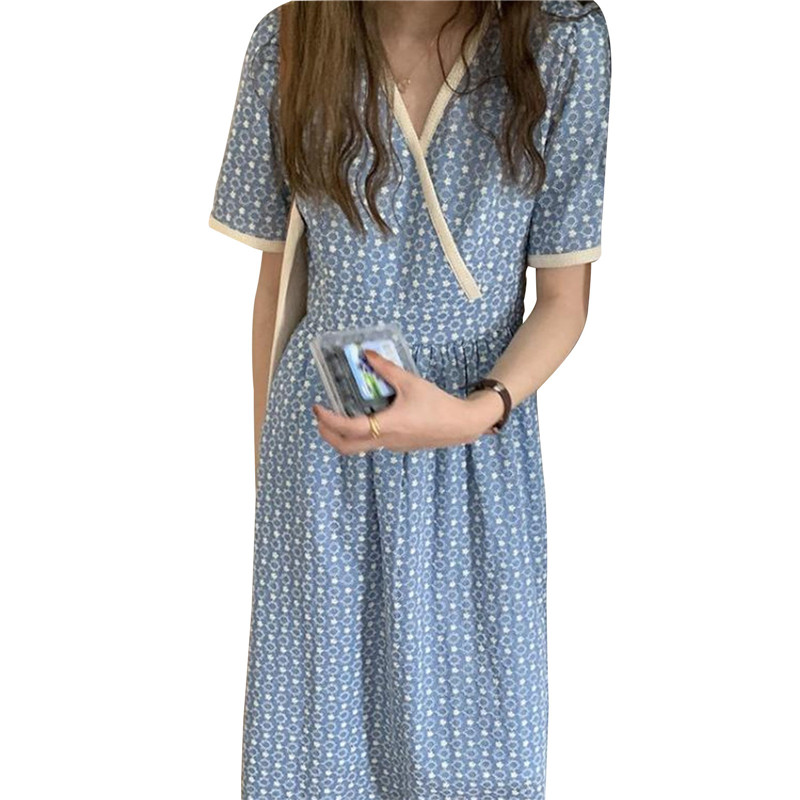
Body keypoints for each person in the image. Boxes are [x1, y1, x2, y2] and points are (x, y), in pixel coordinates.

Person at [207, 1, 612, 798]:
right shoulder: (290, 40)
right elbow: (276, 289)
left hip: (476, 452)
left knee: (479, 752)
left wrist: (476, 412)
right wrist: (275, 489)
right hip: (322, 447)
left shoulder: (560, 39)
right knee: (316, 757)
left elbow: (566, 300)